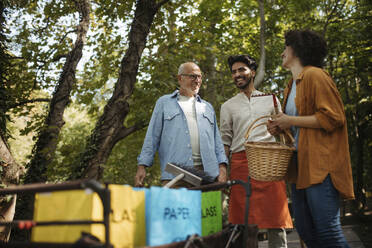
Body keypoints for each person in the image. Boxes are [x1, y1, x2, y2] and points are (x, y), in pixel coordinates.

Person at [267, 29, 354, 248]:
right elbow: (296, 126)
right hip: (299, 168)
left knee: (328, 232)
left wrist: (290, 121)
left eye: (286, 47)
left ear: (297, 49)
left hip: (321, 167)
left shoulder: (316, 75)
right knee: (306, 230)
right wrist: (280, 127)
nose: (282, 53)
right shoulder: (291, 85)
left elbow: (333, 118)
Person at [220, 54, 293, 248]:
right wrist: (223, 169)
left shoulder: (271, 99)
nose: (237, 75)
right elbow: (225, 141)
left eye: (241, 70)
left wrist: (278, 129)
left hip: (268, 163)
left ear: (252, 72)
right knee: (244, 222)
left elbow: (284, 131)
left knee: (276, 218)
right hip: (240, 164)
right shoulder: (227, 106)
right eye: (234, 72)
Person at [135, 62, 228, 188]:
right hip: (175, 175)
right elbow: (152, 137)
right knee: (175, 208)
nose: (197, 81)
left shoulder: (207, 107)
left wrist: (222, 167)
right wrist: (142, 166)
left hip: (208, 176)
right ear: (180, 78)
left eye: (200, 77)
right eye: (193, 76)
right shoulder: (164, 103)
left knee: (207, 208)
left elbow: (217, 142)